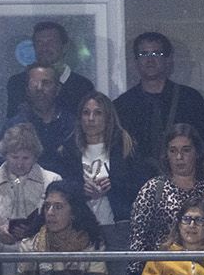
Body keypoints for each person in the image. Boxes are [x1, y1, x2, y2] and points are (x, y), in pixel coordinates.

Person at [127, 123, 204, 275]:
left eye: (186, 150)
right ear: (166, 154)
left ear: (197, 153)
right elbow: (138, 241)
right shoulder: (152, 190)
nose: (179, 157)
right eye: (173, 151)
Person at [113, 31, 204, 171]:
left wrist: (196, 179)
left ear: (168, 59)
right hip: (135, 188)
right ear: (135, 61)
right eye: (144, 54)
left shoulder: (190, 99)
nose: (150, 60)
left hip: (185, 186)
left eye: (156, 54)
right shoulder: (122, 105)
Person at [0, 124, 63, 275]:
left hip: (41, 270)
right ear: (4, 154)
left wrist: (34, 231)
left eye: (26, 158)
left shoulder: (53, 181)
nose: (20, 164)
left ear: (35, 157)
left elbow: (65, 225)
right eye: (14, 157)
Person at [55, 92, 146, 233]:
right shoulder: (67, 150)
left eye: (98, 113)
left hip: (119, 226)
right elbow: (60, 189)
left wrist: (113, 184)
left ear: (108, 118)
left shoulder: (125, 147)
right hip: (78, 228)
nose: (91, 119)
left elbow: (140, 187)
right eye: (86, 113)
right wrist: (81, 189)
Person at [5, 20, 95, 121]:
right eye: (39, 42)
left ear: (64, 47)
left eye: (51, 42)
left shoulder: (82, 86)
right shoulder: (18, 83)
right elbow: (13, 125)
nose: (45, 48)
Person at [3, 64, 77, 180]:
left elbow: (79, 171)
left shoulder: (72, 126)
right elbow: (3, 170)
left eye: (46, 83)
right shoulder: (14, 126)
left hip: (65, 193)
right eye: (33, 83)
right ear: (27, 90)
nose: (39, 88)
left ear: (57, 89)